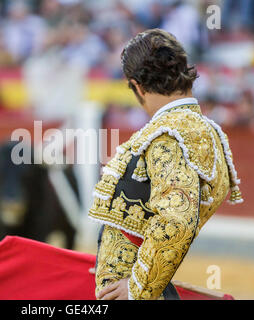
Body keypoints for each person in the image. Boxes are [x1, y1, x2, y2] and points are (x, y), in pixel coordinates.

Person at [88, 29, 243, 300]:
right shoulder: (203, 130)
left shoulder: (169, 136)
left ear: (137, 86)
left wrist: (137, 287)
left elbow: (177, 220)